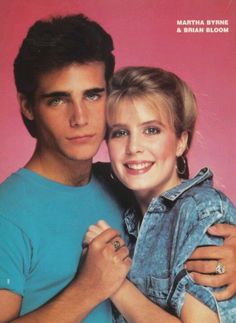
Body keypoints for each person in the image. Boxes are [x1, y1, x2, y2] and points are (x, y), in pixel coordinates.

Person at [0, 13, 235, 323]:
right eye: (58, 100)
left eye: (93, 95)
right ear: (28, 106)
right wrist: (89, 287)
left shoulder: (122, 186)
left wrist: (226, 256)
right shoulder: (9, 211)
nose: (80, 118)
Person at [84, 66, 236, 322]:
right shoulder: (115, 198)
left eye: (151, 130)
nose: (134, 147)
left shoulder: (201, 211)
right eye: (120, 133)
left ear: (181, 142)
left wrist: (114, 282)